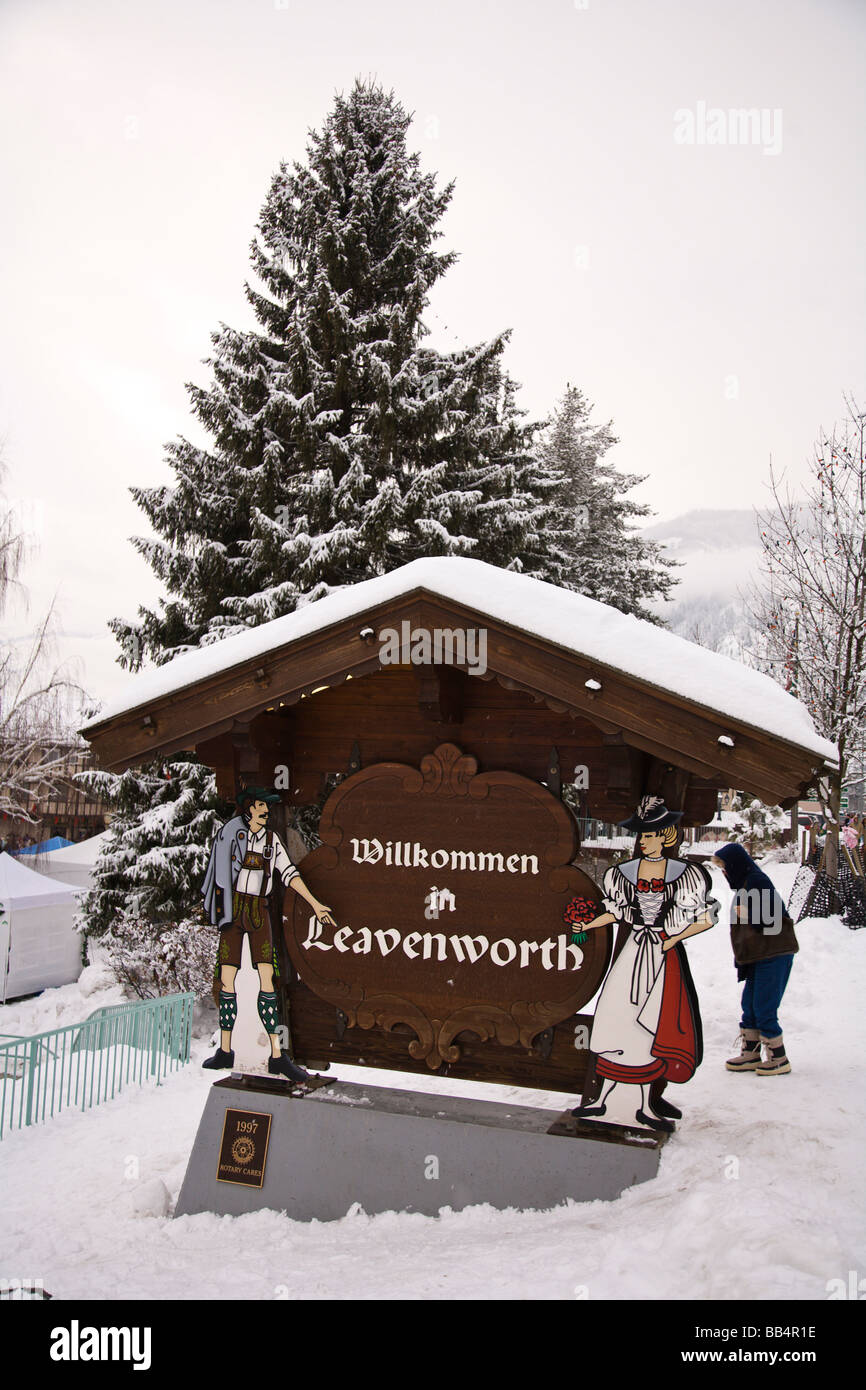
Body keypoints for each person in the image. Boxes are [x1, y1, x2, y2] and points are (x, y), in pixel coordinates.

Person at [574, 796, 717, 1132]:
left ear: (666, 836)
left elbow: (703, 917)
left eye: (650, 835)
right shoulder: (625, 873)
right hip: (634, 950)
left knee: (646, 1024)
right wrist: (587, 925)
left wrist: (671, 938)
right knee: (614, 1015)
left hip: (659, 957)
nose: (644, 841)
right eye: (641, 835)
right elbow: (615, 911)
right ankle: (602, 1099)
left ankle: (643, 1106)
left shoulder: (684, 875)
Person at [201, 786, 336, 1082]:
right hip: (234, 910)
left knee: (267, 978)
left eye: (268, 807)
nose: (266, 811)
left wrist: (315, 904)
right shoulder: (231, 836)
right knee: (228, 978)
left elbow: (289, 874)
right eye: (262, 806)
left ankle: (276, 1056)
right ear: (249, 808)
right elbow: (219, 875)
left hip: (259, 912)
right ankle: (226, 1049)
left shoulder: (272, 842)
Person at [712, 842, 798, 1077]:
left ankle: (778, 1057)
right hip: (758, 955)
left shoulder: (758, 881)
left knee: (764, 1005)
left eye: (725, 867)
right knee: (749, 1004)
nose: (724, 873)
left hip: (774, 954)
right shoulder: (745, 885)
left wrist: (748, 913)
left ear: (737, 865)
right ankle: (751, 1053)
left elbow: (774, 918)